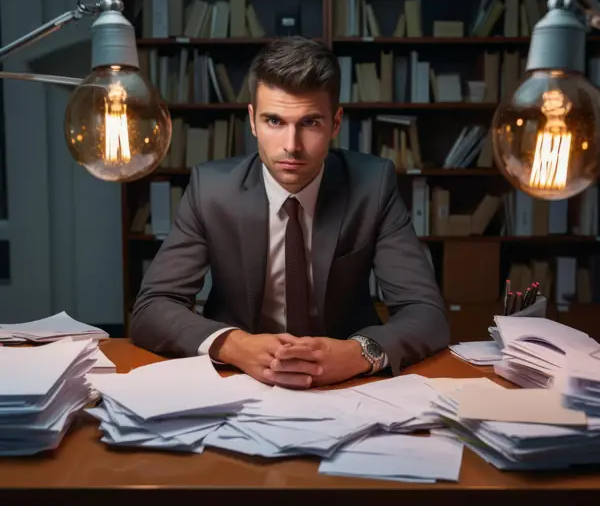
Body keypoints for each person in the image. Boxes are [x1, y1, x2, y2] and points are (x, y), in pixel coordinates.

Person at [131, 36, 449, 389]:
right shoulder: (212, 190)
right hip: (237, 379)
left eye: (310, 122)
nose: (291, 146)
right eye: (274, 121)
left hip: (346, 385)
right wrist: (233, 345)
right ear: (252, 121)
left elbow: (426, 313)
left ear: (336, 123)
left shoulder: (372, 185)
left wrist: (359, 353)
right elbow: (152, 308)